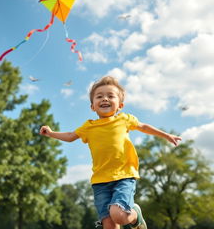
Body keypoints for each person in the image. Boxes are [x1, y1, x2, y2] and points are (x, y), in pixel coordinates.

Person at [40, 76, 181, 229]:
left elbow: (144, 127)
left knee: (118, 214)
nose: (105, 99)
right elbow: (70, 136)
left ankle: (135, 215)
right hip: (100, 181)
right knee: (109, 225)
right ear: (92, 106)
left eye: (110, 96)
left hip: (124, 176)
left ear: (120, 105)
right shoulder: (89, 126)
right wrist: (51, 133)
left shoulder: (124, 120)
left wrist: (166, 135)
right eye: (99, 96)